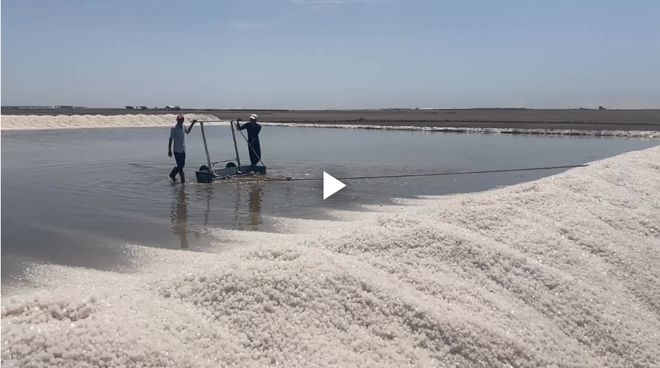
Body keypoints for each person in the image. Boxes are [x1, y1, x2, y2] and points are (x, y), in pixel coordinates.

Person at [168, 114, 196, 183]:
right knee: (180, 167)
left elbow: (188, 131)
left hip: (183, 149)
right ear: (177, 120)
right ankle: (183, 182)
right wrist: (169, 150)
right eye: (180, 119)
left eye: (182, 119)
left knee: (182, 165)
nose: (181, 120)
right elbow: (170, 139)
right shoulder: (174, 128)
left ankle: (172, 174)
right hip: (176, 150)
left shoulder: (183, 126)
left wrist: (192, 123)